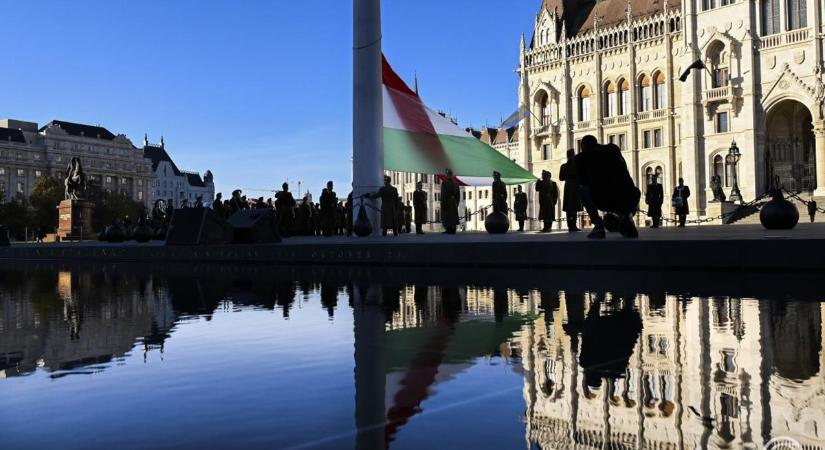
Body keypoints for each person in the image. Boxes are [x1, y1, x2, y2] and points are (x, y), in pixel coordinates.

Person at [574, 135, 641, 239]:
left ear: (583, 146)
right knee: (622, 192)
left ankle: (598, 226)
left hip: (605, 198)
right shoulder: (613, 149)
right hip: (631, 196)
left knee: (582, 190)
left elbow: (583, 182)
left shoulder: (580, 159)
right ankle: (625, 217)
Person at [559, 149, 582, 232]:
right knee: (570, 207)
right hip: (570, 187)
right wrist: (571, 175)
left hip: (575, 187)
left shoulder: (577, 165)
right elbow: (561, 177)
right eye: (571, 155)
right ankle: (571, 225)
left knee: (574, 207)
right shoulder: (564, 166)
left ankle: (573, 225)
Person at [441, 168, 461, 234]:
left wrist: (443, 203)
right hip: (454, 201)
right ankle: (453, 229)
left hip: (447, 201)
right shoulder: (456, 183)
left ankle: (448, 229)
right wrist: (457, 203)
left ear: (447, 175)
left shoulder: (444, 183)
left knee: (447, 215)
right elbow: (458, 195)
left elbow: (443, 194)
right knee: (453, 215)